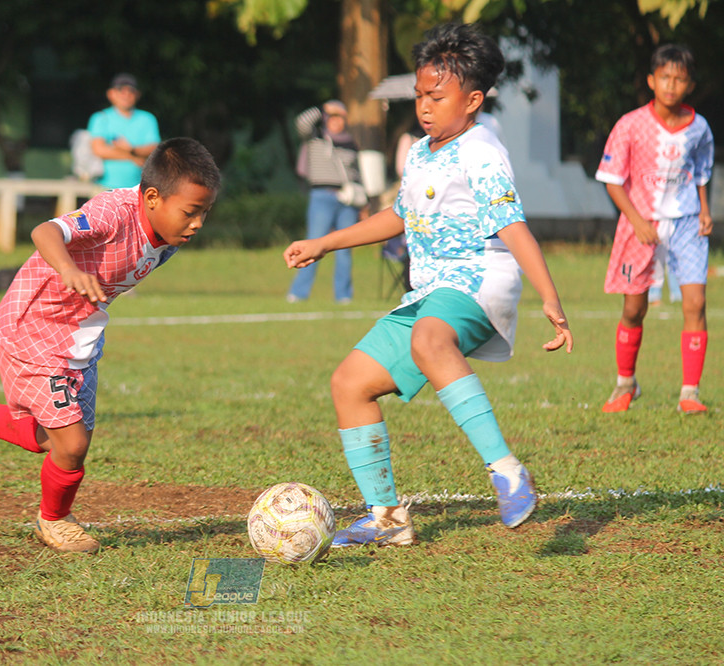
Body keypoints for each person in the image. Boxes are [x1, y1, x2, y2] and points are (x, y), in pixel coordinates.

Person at [283, 23, 573, 547]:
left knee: (428, 341)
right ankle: (387, 519)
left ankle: (507, 471)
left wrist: (550, 298)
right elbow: (398, 216)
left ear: (473, 99)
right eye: (419, 95)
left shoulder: (481, 150)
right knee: (350, 383)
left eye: (436, 96)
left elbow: (513, 227)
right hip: (429, 292)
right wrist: (326, 243)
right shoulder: (420, 152)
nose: (424, 106)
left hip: (479, 278)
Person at [0, 138, 221, 554]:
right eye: (191, 212)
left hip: (79, 337)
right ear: (152, 197)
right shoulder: (113, 213)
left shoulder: (168, 237)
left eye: (204, 213)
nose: (197, 224)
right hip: (32, 326)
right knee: (72, 445)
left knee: (56, 441)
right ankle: (54, 521)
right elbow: (44, 231)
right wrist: (67, 267)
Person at [596, 44, 714, 415]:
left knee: (695, 303)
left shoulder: (699, 128)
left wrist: (705, 211)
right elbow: (613, 180)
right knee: (634, 309)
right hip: (641, 226)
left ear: (690, 85)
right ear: (651, 80)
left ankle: (690, 394)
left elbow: (702, 172)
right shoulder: (630, 125)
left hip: (686, 224)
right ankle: (625, 384)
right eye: (664, 77)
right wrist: (636, 220)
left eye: (679, 79)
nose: (671, 85)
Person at [287, 100, 364, 304]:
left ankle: (344, 295)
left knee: (345, 248)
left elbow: (357, 173)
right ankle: (299, 292)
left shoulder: (351, 143)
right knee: (313, 242)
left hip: (347, 200)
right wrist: (322, 110)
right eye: (332, 117)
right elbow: (302, 123)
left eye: (340, 117)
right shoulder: (316, 138)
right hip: (321, 196)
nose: (336, 122)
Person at [87, 73, 161, 190]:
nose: (126, 95)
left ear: (138, 95)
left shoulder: (147, 119)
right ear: (111, 94)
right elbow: (99, 150)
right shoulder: (101, 118)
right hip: (103, 187)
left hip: (140, 188)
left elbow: (154, 148)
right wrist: (132, 156)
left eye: (131, 91)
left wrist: (130, 149)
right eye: (120, 90)